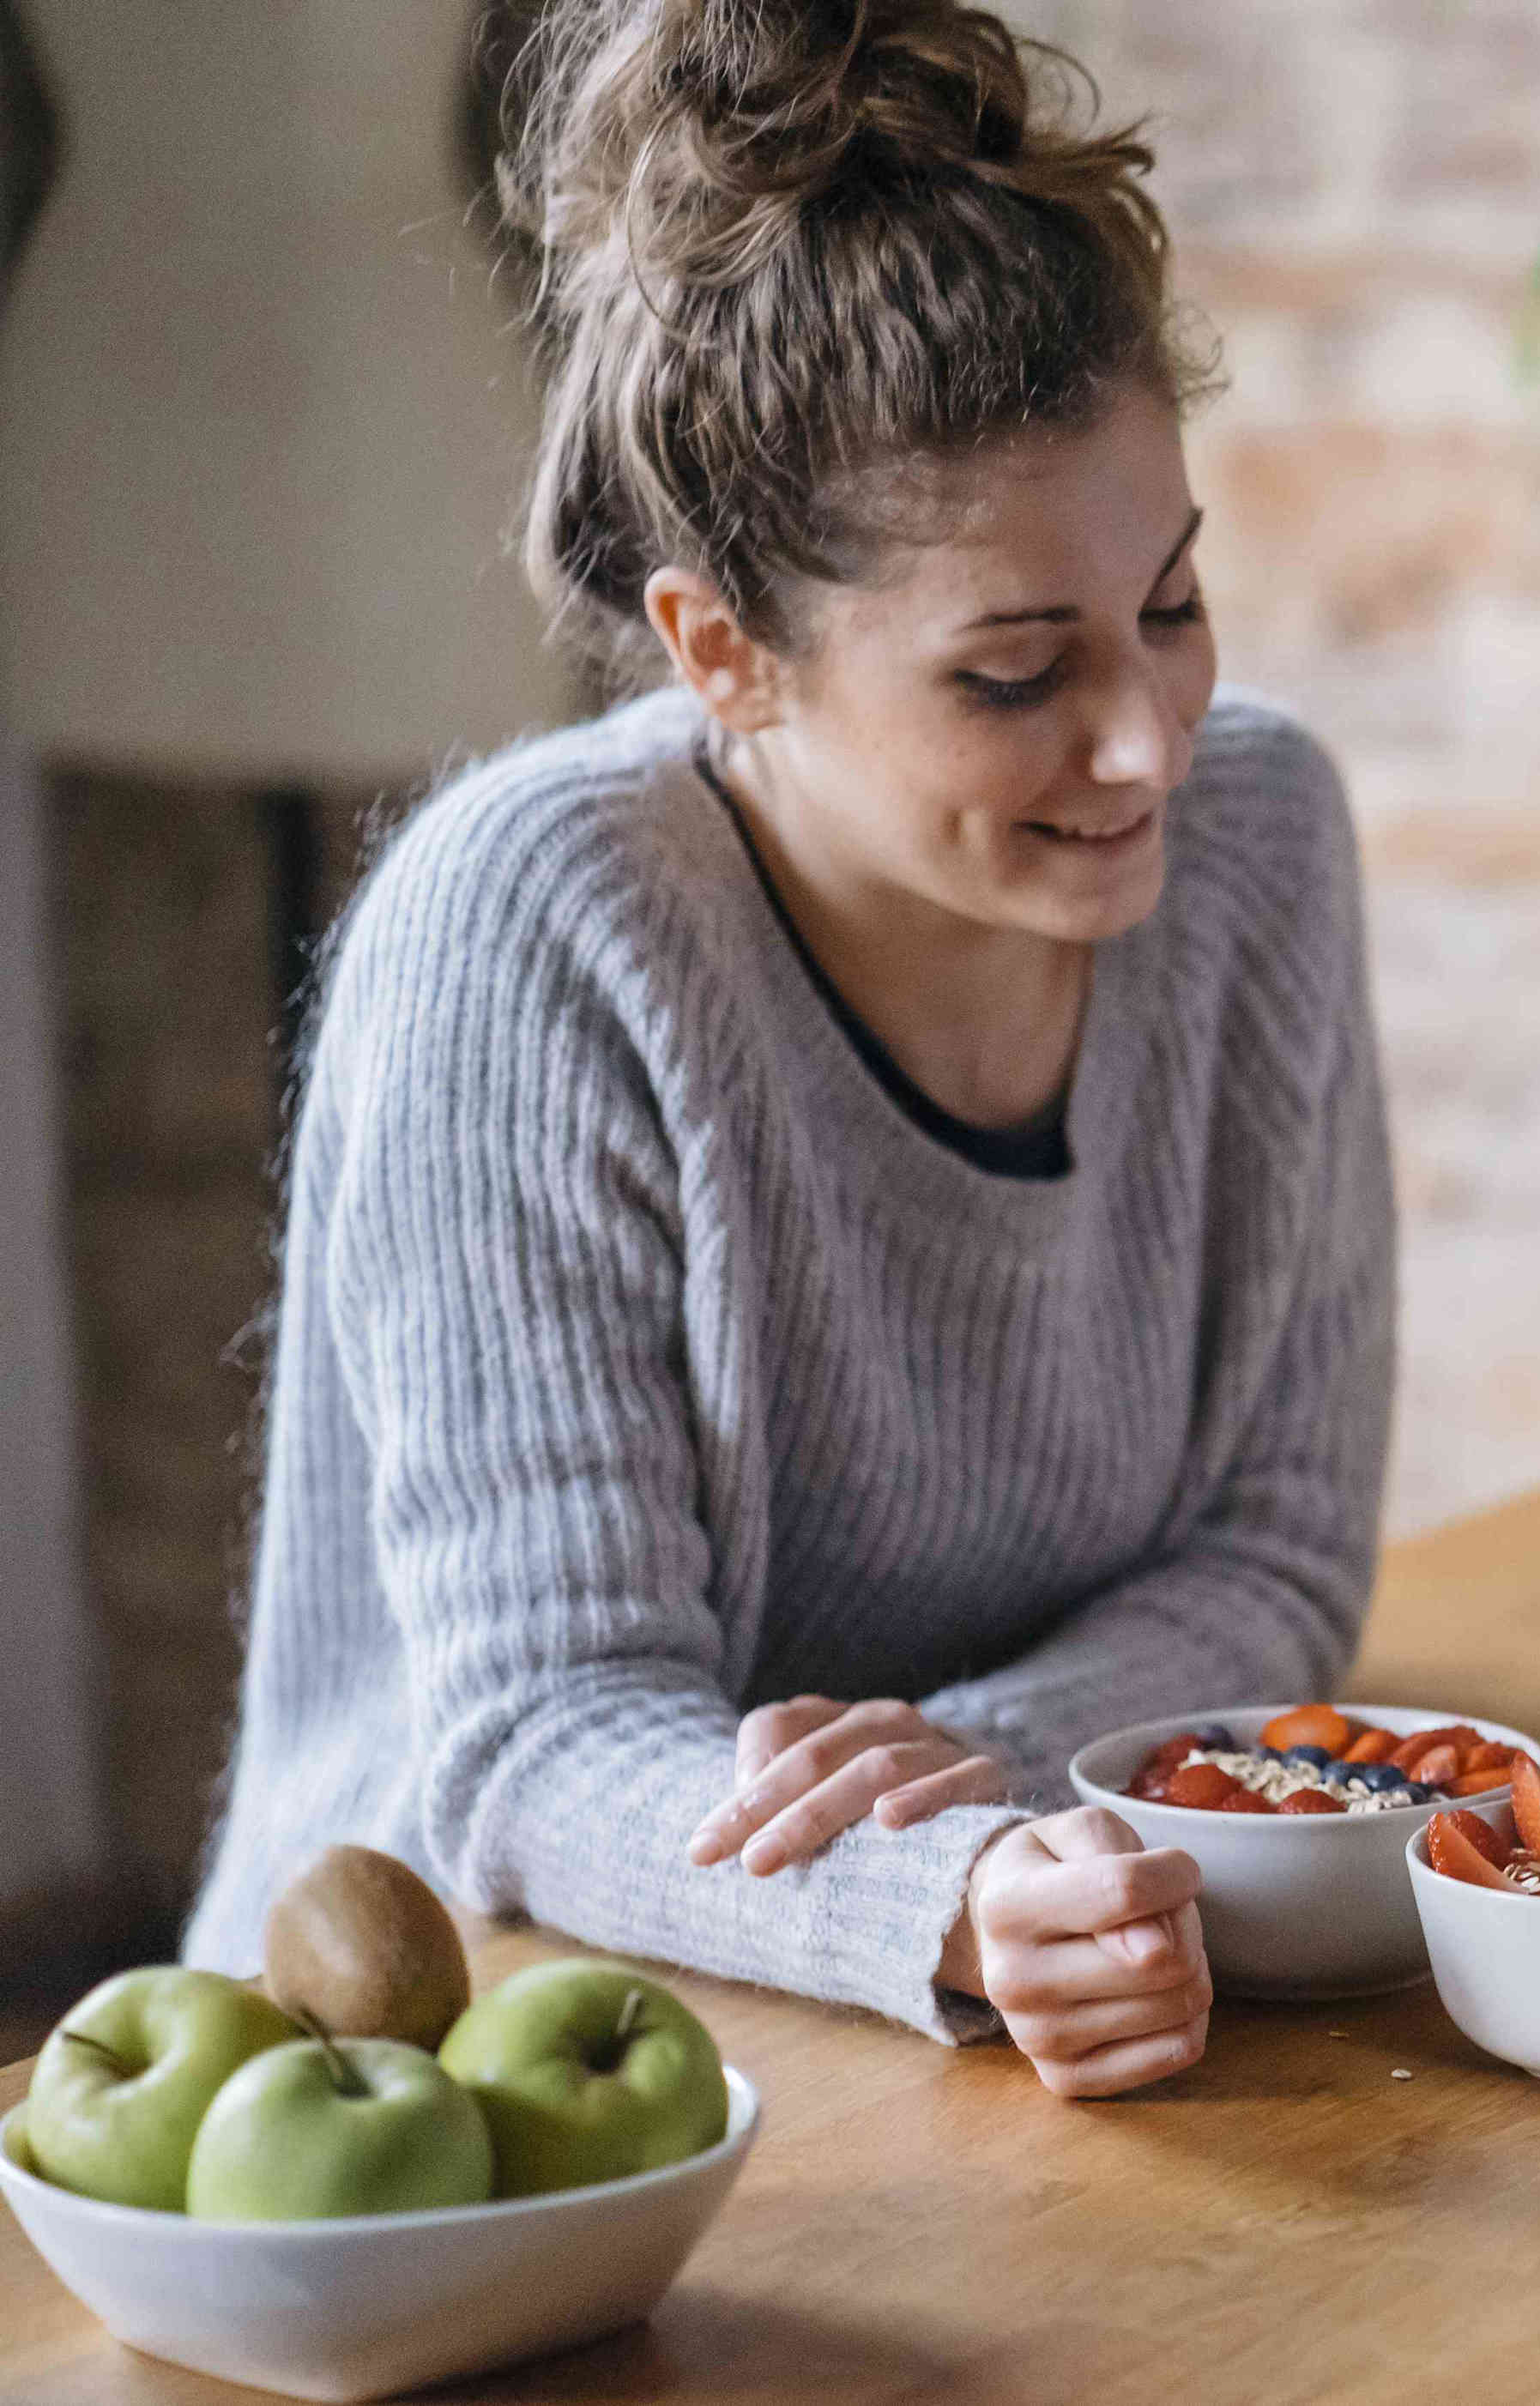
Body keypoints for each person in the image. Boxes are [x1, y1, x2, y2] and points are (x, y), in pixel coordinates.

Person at [184, 0, 1394, 2101]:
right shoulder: (532, 930)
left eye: (1172, 607)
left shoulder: (1261, 841)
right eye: (1016, 673)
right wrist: (950, 1878)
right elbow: (546, 1737)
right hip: (439, 2082)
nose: (1147, 742)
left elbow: (1278, 1544)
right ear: (721, 654)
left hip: (943, 2032)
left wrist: (1001, 1777)